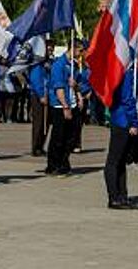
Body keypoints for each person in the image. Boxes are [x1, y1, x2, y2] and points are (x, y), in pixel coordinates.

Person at [104, 67, 138, 210]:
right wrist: (133, 121)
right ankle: (114, 198)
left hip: (122, 119)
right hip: (122, 120)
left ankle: (122, 196)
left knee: (120, 162)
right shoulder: (123, 72)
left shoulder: (129, 72)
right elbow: (127, 98)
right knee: (114, 161)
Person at [46, 39, 83, 177]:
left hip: (72, 103)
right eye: (79, 51)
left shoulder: (73, 65)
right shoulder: (59, 65)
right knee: (59, 137)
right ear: (72, 48)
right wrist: (65, 106)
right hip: (60, 105)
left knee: (71, 137)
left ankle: (64, 162)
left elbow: (76, 83)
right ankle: (53, 165)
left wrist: (78, 95)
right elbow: (58, 87)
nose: (80, 54)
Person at [28, 40, 54, 156]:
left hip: (48, 94)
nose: (50, 51)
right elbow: (35, 79)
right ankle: (36, 147)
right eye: (48, 49)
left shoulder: (51, 62)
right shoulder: (37, 63)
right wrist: (41, 95)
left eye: (51, 49)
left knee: (46, 122)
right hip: (38, 95)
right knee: (39, 122)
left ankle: (42, 145)